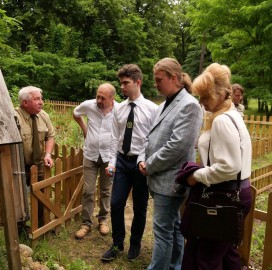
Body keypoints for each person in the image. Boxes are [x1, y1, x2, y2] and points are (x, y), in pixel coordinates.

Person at [181, 63, 252, 269]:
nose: (201, 102)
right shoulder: (233, 115)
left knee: (207, 259)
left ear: (221, 93)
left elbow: (229, 166)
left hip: (225, 196)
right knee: (227, 252)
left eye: (205, 96)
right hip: (236, 192)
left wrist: (197, 175)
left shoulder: (222, 121)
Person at [137, 57, 203, 270]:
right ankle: (176, 265)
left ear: (174, 78)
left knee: (162, 230)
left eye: (159, 79)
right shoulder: (163, 105)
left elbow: (178, 147)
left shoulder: (190, 105)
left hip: (171, 181)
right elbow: (148, 137)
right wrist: (141, 158)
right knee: (173, 227)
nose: (155, 84)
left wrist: (150, 165)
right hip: (159, 178)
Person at [101, 64, 158, 262]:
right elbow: (115, 137)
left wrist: (146, 161)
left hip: (141, 165)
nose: (122, 87)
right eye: (121, 83)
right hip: (123, 163)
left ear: (137, 82)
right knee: (116, 203)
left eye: (126, 83)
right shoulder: (120, 109)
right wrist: (112, 162)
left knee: (140, 208)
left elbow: (153, 140)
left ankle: (135, 243)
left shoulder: (152, 109)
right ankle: (117, 244)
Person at [73, 83, 118, 239]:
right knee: (88, 191)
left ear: (112, 98)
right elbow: (76, 113)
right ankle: (86, 223)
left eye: (102, 98)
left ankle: (103, 219)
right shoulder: (89, 105)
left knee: (106, 190)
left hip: (109, 157)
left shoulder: (119, 110)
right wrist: (85, 129)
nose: (98, 100)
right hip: (90, 155)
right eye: (97, 96)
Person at [15, 86, 55, 231]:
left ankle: (41, 224)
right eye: (37, 99)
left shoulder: (43, 115)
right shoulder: (14, 117)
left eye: (41, 98)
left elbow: (50, 136)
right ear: (25, 102)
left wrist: (48, 154)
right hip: (18, 165)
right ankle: (19, 228)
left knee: (41, 193)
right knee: (18, 197)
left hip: (38, 164)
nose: (41, 102)